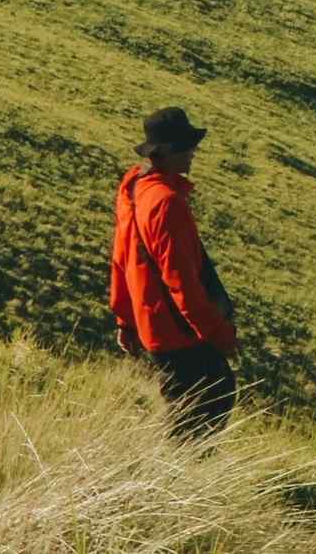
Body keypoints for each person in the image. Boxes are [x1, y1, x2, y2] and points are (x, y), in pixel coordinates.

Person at [110, 105, 240, 437]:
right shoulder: (166, 203)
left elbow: (122, 260)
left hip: (153, 325)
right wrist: (219, 333)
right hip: (177, 331)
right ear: (164, 152)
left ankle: (172, 464)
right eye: (186, 146)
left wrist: (125, 320)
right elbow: (182, 282)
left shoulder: (135, 188)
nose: (193, 151)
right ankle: (175, 468)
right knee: (211, 401)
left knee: (186, 407)